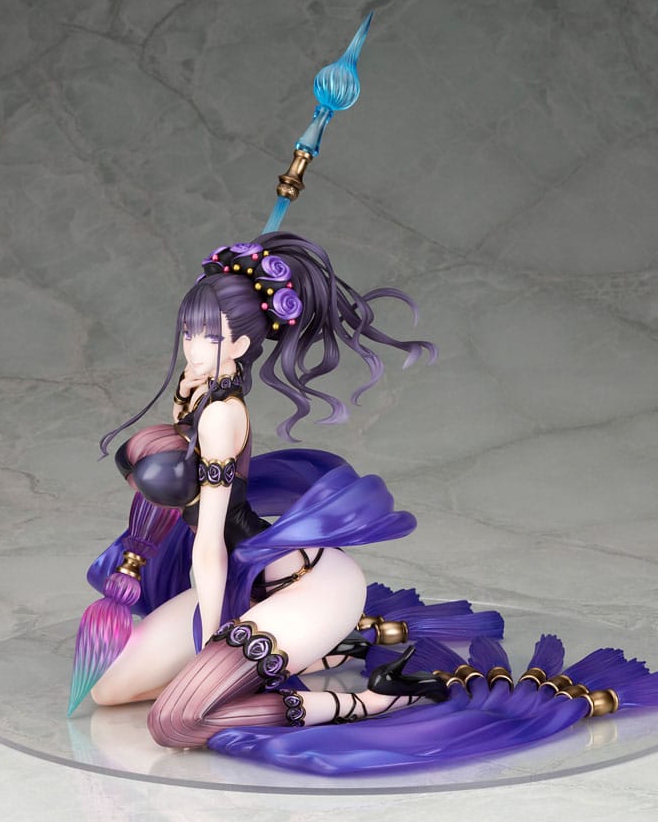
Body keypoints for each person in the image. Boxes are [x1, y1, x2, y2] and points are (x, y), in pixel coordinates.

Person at [75, 231, 452, 745]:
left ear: (240, 346)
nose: (193, 348)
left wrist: (210, 643)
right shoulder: (198, 398)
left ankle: (380, 696)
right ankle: (322, 655)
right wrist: (184, 398)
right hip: (243, 582)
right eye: (188, 333)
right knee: (108, 690)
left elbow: (209, 541)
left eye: (209, 337)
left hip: (306, 586)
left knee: (177, 721)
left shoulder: (222, 416)